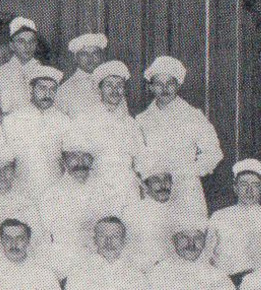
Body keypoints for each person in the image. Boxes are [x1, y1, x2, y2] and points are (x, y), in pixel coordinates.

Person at [135, 55, 223, 216]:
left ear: (178, 85)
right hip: (153, 191)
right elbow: (137, 156)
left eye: (170, 83)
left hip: (186, 190)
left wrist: (188, 172)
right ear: (151, 87)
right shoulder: (141, 120)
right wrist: (147, 180)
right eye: (159, 84)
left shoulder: (193, 116)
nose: (164, 88)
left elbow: (214, 153)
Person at [40, 132, 128, 263]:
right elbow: (50, 238)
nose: (80, 162)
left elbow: (116, 231)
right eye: (74, 156)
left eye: (85, 156)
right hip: (67, 262)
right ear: (64, 160)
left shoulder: (108, 191)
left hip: (104, 261)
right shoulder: (51, 195)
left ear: (92, 159)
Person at [74, 59, 145, 199]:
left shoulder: (132, 124)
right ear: (99, 89)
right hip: (96, 187)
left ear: (124, 89)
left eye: (119, 85)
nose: (114, 90)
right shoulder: (85, 119)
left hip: (128, 189)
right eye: (109, 85)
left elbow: (141, 160)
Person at [1, 63, 72, 195]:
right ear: (31, 89)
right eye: (42, 88)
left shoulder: (64, 121)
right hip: (21, 190)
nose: (47, 93)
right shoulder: (12, 120)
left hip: (55, 189)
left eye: (52, 89)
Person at [0, 17, 43, 117]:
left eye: (31, 41)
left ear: (36, 44)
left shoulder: (44, 73)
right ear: (12, 45)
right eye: (21, 41)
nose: (27, 46)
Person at [55, 32, 108, 119]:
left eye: (95, 53)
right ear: (76, 58)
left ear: (101, 56)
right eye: (84, 54)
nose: (90, 58)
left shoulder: (112, 85)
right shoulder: (65, 90)